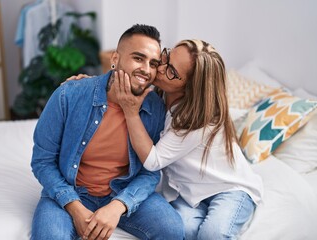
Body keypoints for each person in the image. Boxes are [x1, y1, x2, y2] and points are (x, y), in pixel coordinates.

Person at [30, 24, 184, 240]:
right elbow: (42, 161)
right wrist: (74, 207)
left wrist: (119, 205)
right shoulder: (69, 95)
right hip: (72, 190)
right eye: (138, 58)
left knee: (173, 229)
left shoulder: (155, 107)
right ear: (115, 58)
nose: (146, 69)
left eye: (153, 63)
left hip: (122, 190)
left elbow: (150, 171)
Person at [111, 39, 264, 240]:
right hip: (190, 192)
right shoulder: (161, 94)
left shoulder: (198, 120)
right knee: (184, 230)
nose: (161, 66)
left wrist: (131, 113)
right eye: (167, 55)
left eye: (171, 70)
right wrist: (86, 84)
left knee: (212, 235)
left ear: (189, 88)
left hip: (229, 188)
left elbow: (153, 161)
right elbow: (118, 83)